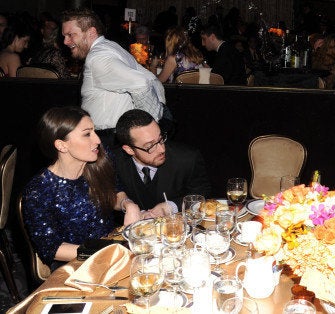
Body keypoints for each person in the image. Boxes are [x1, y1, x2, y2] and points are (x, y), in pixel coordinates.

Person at [21, 107, 166, 270]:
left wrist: (128, 204)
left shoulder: (100, 160)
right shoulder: (38, 190)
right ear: (62, 146)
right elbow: (52, 249)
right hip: (76, 265)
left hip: (112, 248)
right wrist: (107, 251)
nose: (97, 139)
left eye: (94, 131)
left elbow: (113, 192)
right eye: (87, 134)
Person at [60, 8, 167, 149]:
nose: (65, 41)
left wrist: (147, 128)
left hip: (108, 140)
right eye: (64, 36)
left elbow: (141, 83)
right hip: (113, 138)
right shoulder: (111, 46)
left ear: (91, 32)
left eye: (70, 35)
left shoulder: (98, 57)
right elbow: (152, 80)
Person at [114, 109, 211, 216]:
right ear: (129, 150)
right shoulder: (114, 162)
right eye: (150, 146)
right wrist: (128, 206)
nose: (161, 149)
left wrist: (171, 206)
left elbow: (202, 193)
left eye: (160, 139)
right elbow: (108, 197)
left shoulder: (187, 158)